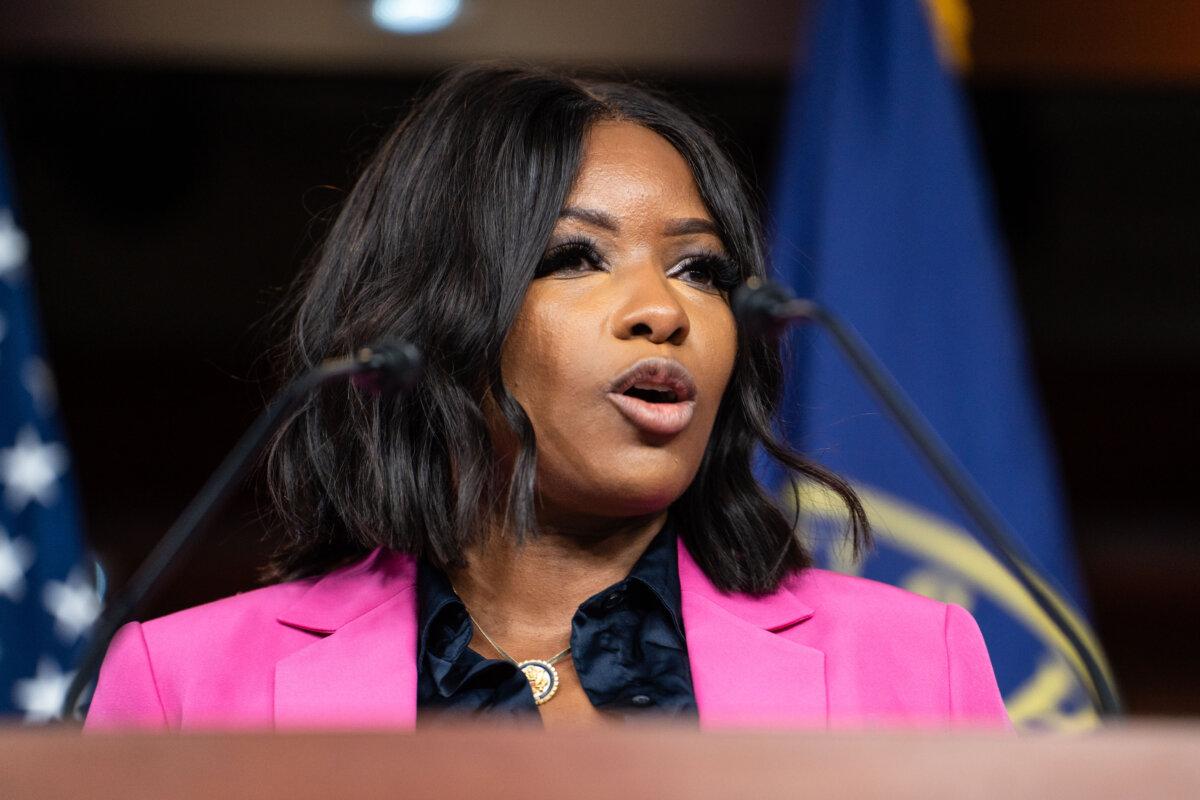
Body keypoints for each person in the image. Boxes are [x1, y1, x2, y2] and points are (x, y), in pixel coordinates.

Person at [86, 64, 1009, 730]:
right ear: (430, 316)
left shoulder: (915, 665)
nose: (664, 310)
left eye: (700, 268)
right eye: (576, 256)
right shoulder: (186, 688)